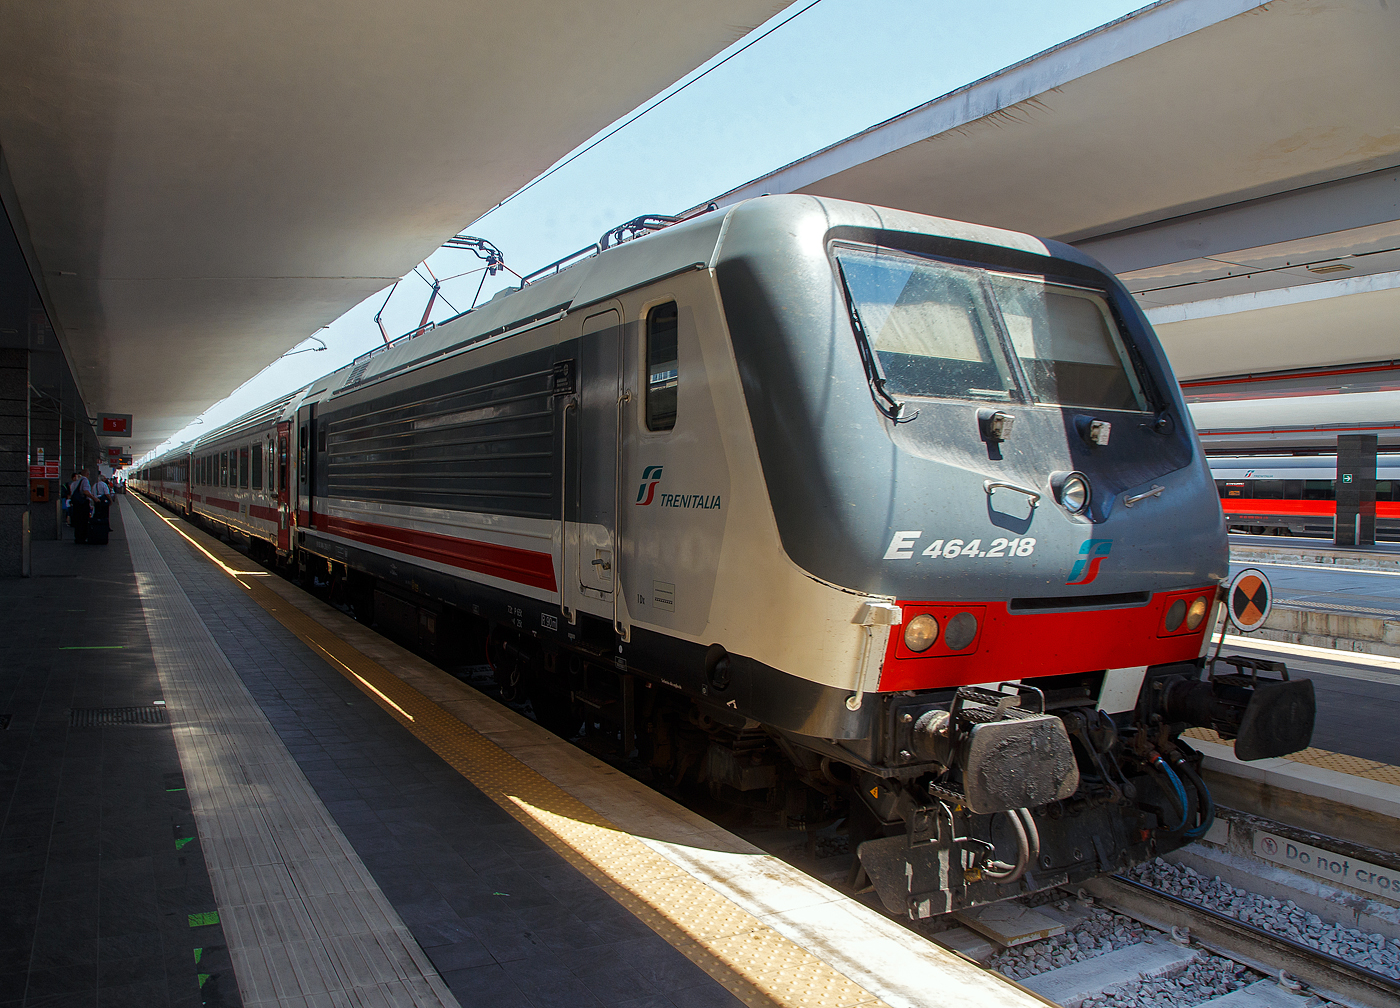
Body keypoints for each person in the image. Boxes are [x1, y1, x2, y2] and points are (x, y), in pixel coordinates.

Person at [69, 469, 95, 544]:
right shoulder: (85, 480)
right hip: (83, 504)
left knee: (77, 521)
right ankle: (82, 538)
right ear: (87, 474)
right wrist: (94, 498)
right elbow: (85, 491)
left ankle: (77, 538)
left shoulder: (75, 482)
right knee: (83, 521)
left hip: (76, 504)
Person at [91, 473, 113, 544]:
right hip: (103, 502)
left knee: (97, 514)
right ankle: (105, 527)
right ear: (103, 479)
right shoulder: (104, 484)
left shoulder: (94, 485)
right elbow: (107, 493)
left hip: (96, 502)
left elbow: (92, 494)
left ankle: (96, 527)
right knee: (105, 515)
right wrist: (110, 500)